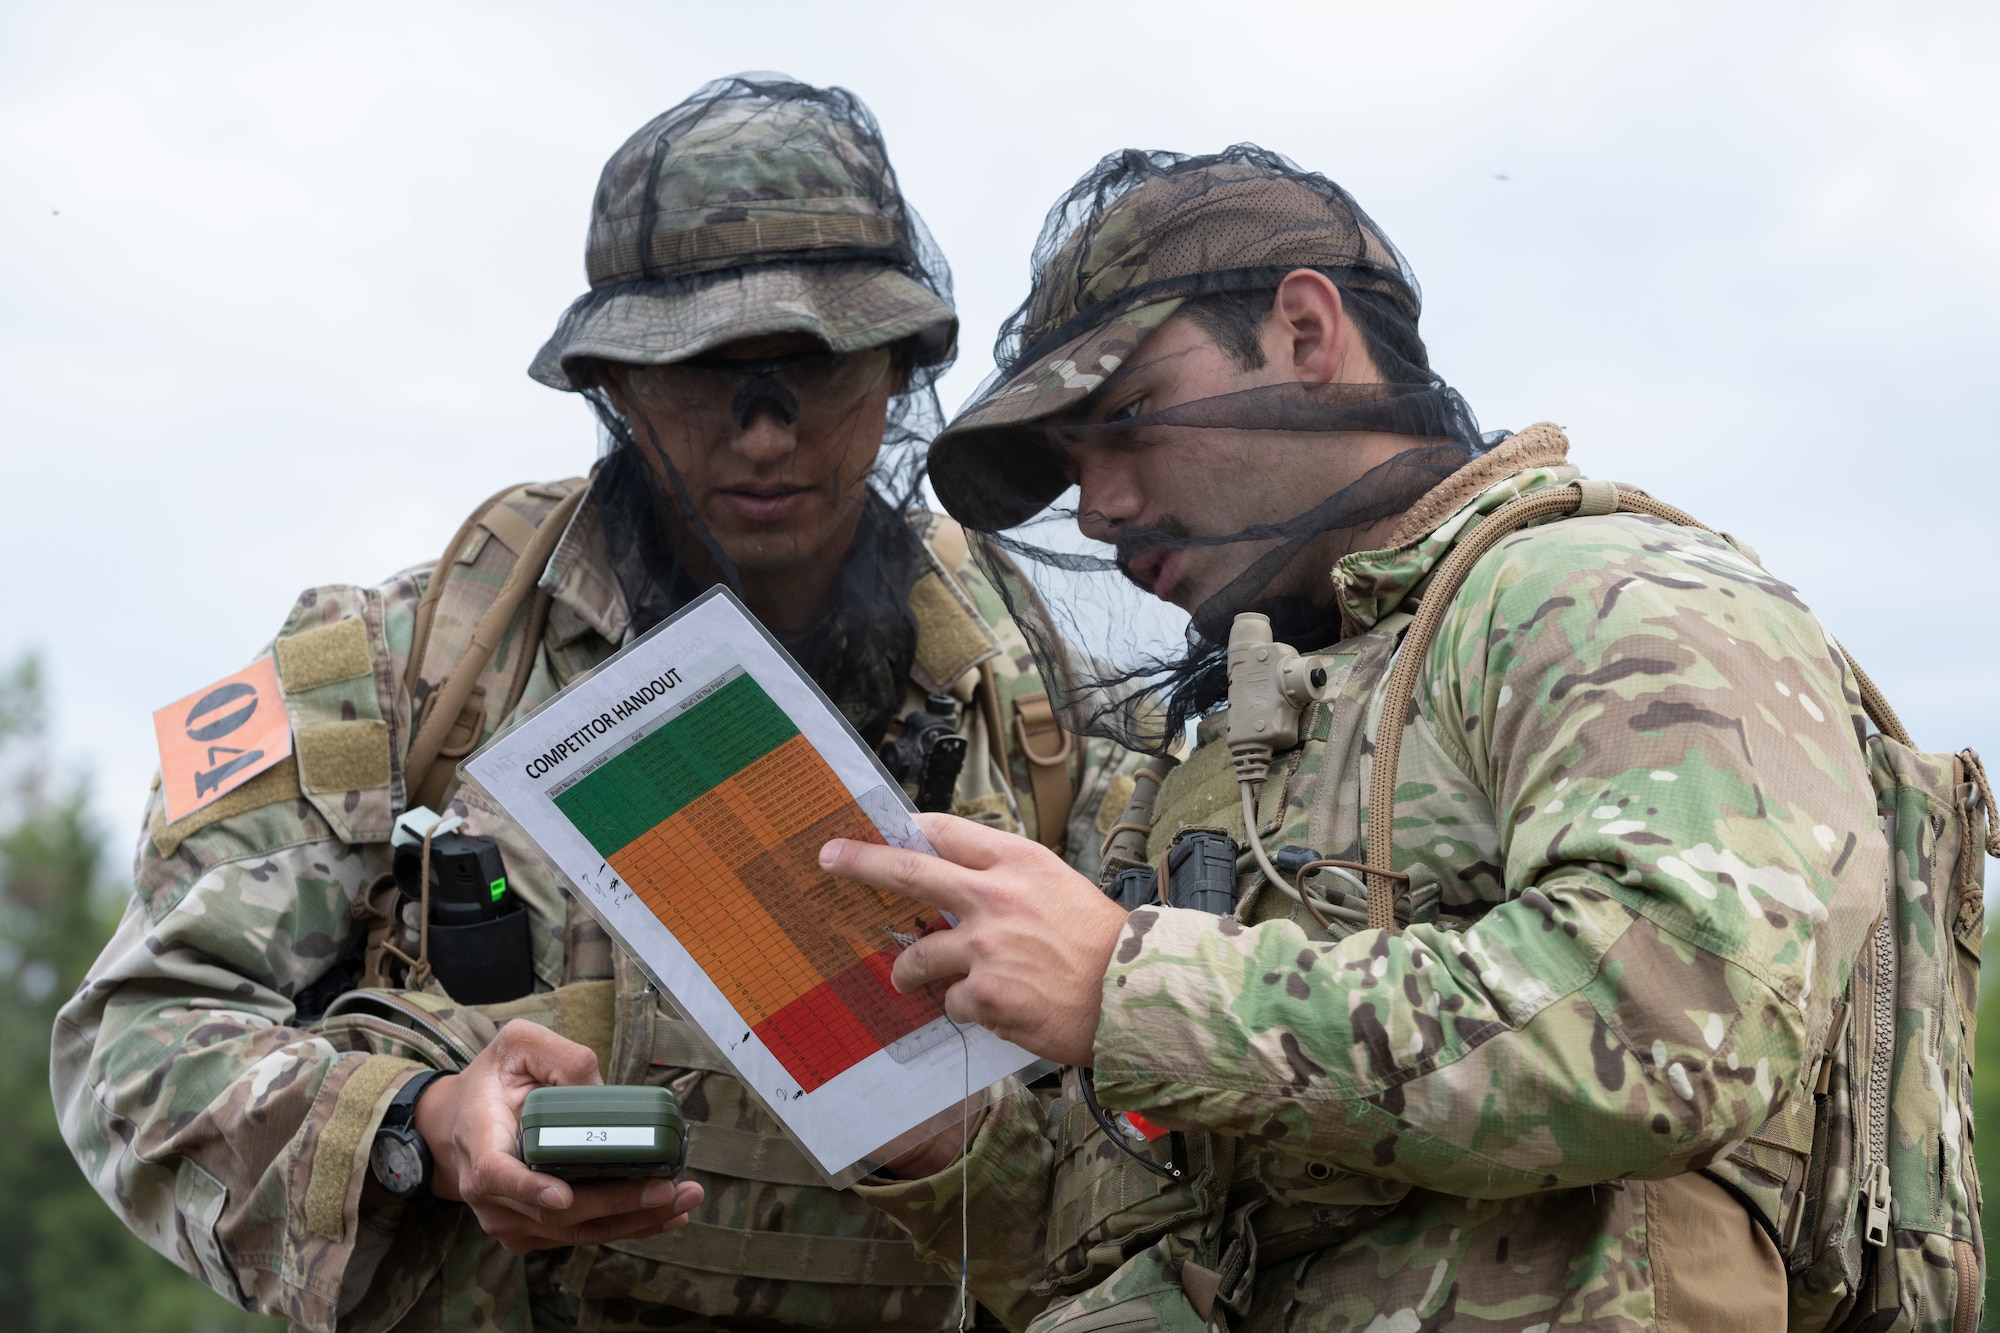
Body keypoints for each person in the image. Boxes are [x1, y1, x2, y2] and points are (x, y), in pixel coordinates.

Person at [52, 76, 1138, 1333]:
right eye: (703, 377)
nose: (766, 435)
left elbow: (1198, 1138)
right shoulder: (390, 671)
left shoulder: (1050, 695)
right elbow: (130, 1052)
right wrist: (425, 1128)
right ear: (613, 383)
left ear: (900, 367)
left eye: (813, 370)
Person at [823, 147, 1904, 1331]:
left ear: (1302, 331)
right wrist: (947, 1143)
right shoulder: (1231, 735)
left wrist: (1128, 986)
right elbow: (1165, 1239)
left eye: (1125, 420)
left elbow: (1673, 1023)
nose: (1099, 506)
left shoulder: (1594, 587)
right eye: (1072, 466)